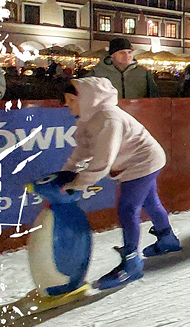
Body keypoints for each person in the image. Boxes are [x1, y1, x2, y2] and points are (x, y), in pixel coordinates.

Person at [57, 78, 181, 290]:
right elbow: (83, 149)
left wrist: (77, 183)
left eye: (71, 100)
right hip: (139, 161)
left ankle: (132, 263)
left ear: (87, 98)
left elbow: (102, 162)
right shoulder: (89, 117)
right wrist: (66, 172)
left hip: (142, 163)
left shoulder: (109, 120)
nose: (68, 105)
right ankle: (168, 240)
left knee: (128, 208)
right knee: (150, 202)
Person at [90, 38, 160, 99]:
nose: (127, 55)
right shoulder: (97, 72)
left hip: (137, 111)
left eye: (129, 52)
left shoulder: (143, 72)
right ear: (112, 55)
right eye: (122, 53)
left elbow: (154, 96)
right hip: (109, 112)